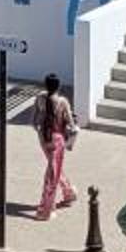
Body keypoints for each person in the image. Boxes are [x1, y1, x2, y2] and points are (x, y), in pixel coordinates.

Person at [31, 71, 80, 220]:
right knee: (52, 173)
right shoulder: (62, 102)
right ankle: (46, 209)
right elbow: (71, 125)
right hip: (57, 140)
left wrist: (42, 130)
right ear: (58, 86)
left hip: (43, 138)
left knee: (54, 168)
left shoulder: (40, 98)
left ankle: (68, 192)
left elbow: (34, 122)